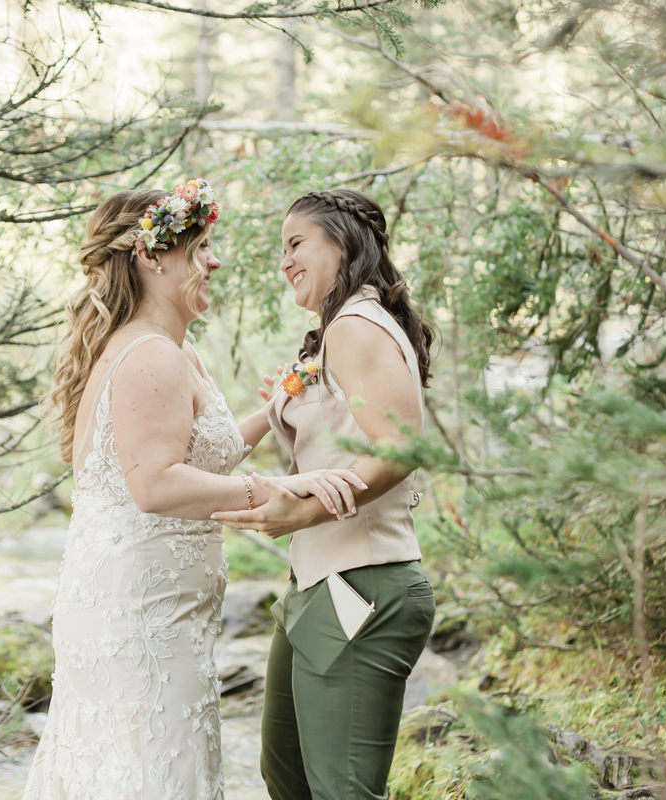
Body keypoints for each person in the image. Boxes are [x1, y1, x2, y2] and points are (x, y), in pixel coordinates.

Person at [21, 180, 363, 800]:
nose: (216, 260)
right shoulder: (151, 355)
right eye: (202, 246)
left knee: (149, 760)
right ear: (152, 258)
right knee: (152, 770)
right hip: (138, 616)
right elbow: (154, 484)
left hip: (156, 609)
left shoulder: (177, 350)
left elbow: (209, 449)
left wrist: (282, 401)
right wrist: (287, 484)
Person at [212, 189, 437, 800]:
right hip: (315, 586)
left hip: (362, 585)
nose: (283, 261)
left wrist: (299, 511)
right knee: (285, 777)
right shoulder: (337, 330)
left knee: (341, 792)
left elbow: (404, 446)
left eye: (295, 244)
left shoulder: (356, 326)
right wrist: (285, 403)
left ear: (341, 244)